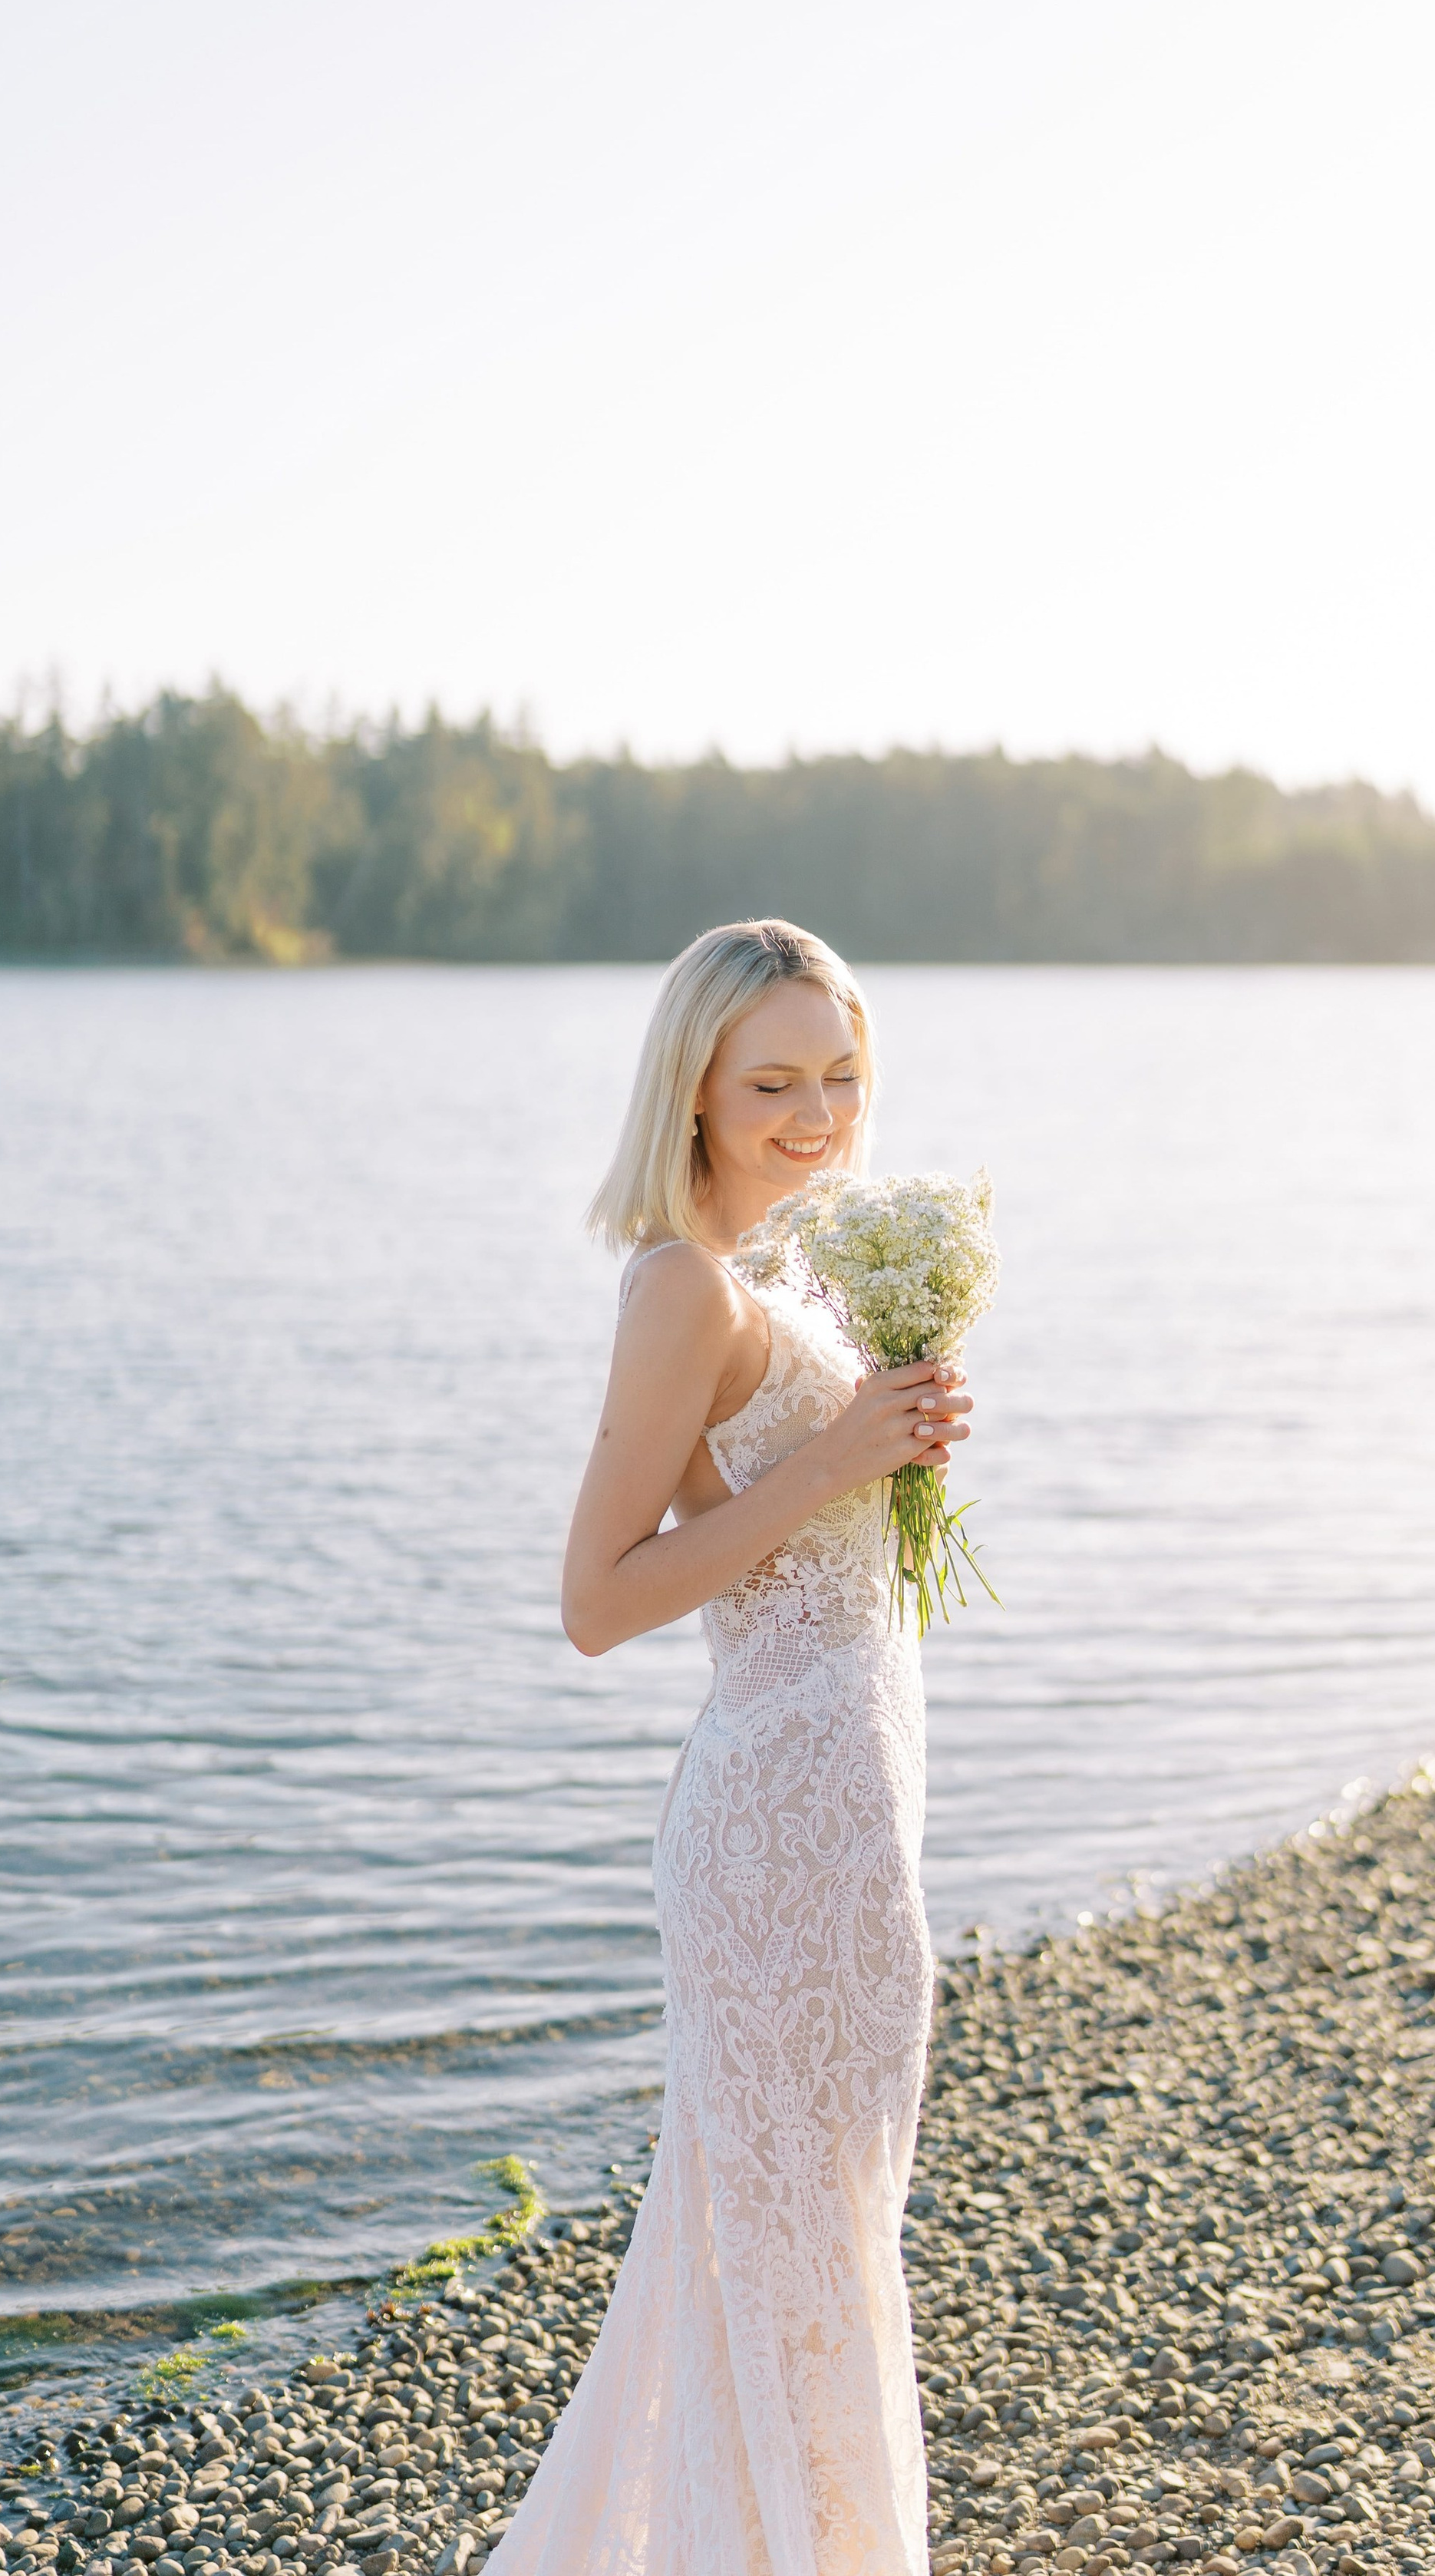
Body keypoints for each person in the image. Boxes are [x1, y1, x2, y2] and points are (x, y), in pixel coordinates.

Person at [485, 919, 972, 2575]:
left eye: (839, 1075)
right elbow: (594, 1599)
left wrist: (890, 1445)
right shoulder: (682, 1284)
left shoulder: (777, 1271)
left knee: (820, 2237)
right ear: (689, 1088)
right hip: (776, 1827)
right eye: (772, 1082)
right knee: (794, 2252)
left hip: (849, 1799)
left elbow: (816, 1558)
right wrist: (836, 1458)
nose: (817, 1113)